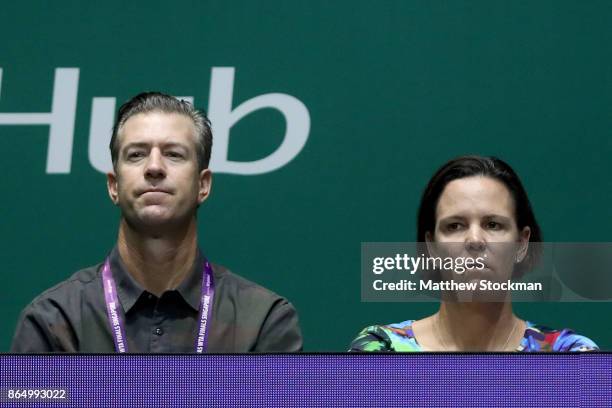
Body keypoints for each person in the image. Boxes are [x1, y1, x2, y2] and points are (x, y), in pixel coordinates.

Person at [11, 92, 303, 353]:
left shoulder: (263, 320)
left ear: (203, 185)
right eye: (136, 154)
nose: (154, 167)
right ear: (113, 185)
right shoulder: (54, 321)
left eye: (174, 154)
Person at [350, 156, 598, 352]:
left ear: (522, 244)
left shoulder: (569, 356)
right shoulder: (382, 349)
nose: (475, 240)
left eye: (493, 225)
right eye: (455, 226)